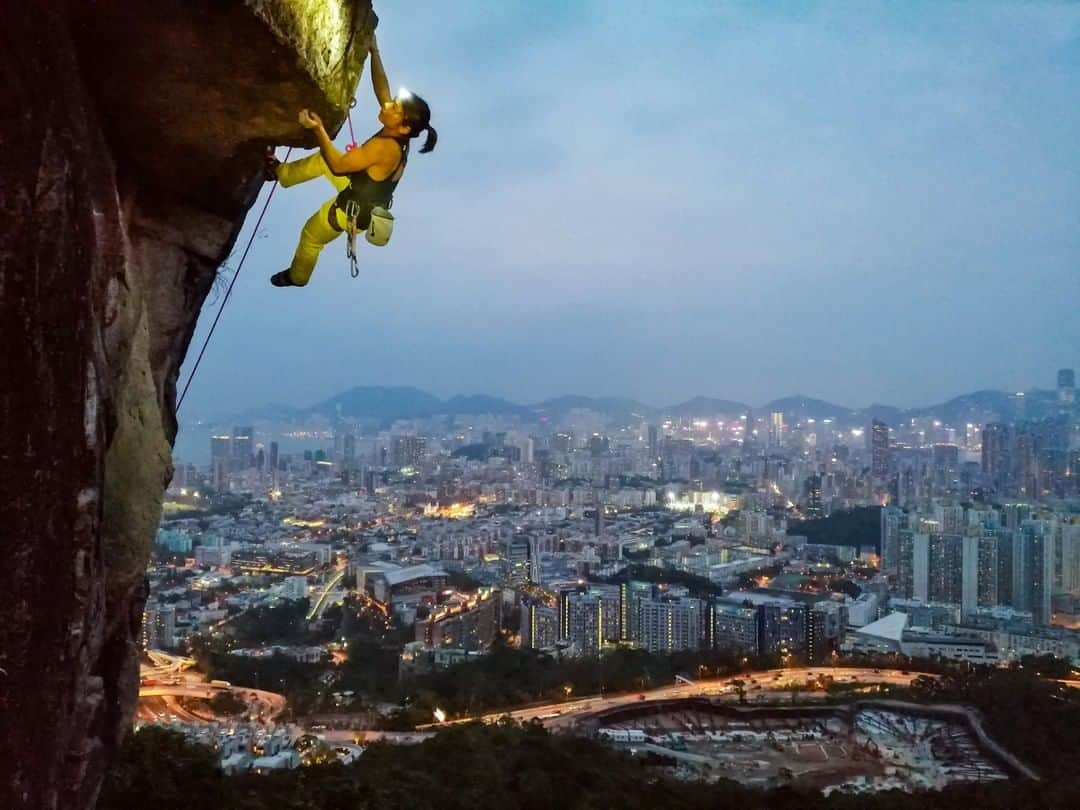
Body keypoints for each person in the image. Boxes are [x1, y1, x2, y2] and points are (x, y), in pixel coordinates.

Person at [268, 35, 437, 287]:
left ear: (403, 127)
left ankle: (298, 277)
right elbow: (383, 90)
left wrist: (318, 128)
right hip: (360, 192)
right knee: (322, 160)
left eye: (395, 108)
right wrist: (374, 50)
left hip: (349, 213)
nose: (388, 105)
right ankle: (282, 174)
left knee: (310, 237)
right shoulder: (400, 131)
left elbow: (339, 165)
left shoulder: (384, 148)